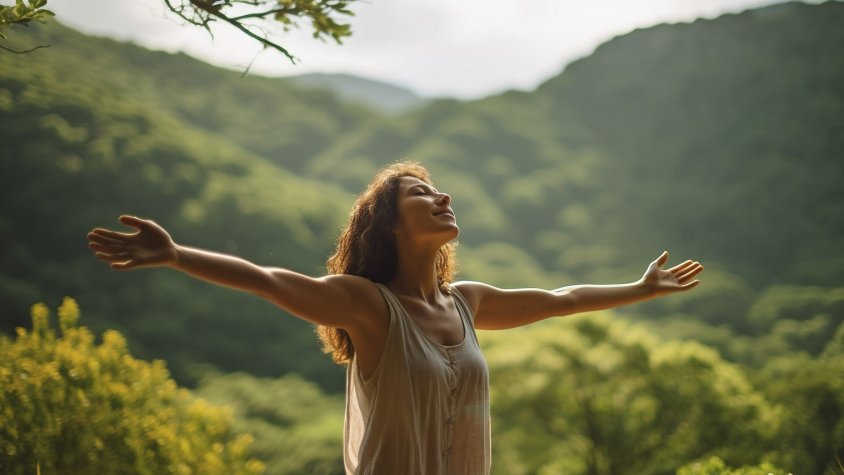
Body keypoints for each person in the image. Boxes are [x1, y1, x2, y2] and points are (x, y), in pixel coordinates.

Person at [87, 161, 703, 475]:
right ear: (391, 224)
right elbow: (269, 280)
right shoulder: (367, 306)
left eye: (442, 192)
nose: (444, 198)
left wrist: (639, 288)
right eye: (422, 195)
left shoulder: (469, 302)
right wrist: (174, 255)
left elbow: (563, 297)